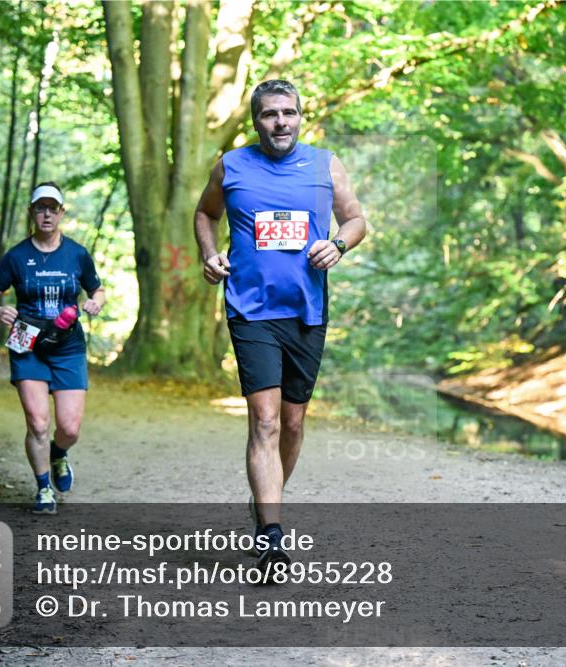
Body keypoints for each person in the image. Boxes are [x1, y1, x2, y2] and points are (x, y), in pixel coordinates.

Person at [193, 80, 367, 568]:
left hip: (307, 309)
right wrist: (210, 255)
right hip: (250, 309)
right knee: (265, 420)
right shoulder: (232, 167)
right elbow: (205, 214)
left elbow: (356, 218)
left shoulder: (324, 164)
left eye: (289, 113)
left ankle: (265, 500)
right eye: (270, 114)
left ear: (300, 116)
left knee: (292, 422)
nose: (281, 122)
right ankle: (271, 531)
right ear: (256, 120)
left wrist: (339, 244)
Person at [0, 182, 106, 515]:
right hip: (27, 342)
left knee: (69, 428)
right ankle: (43, 488)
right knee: (37, 422)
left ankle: (59, 453)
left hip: (68, 346)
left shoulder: (77, 253)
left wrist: (94, 303)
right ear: (32, 212)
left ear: (62, 213)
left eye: (53, 208)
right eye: (40, 208)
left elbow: (98, 290)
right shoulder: (17, 256)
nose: (47, 214)